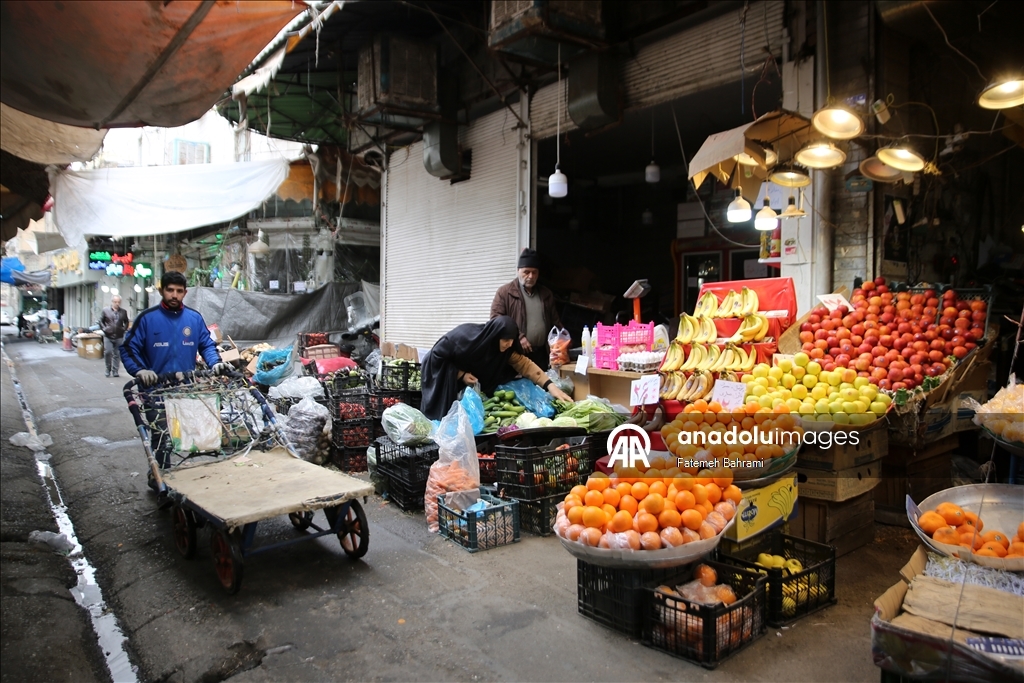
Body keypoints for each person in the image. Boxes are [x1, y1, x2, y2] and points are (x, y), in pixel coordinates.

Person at [122, 271, 230, 475]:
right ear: (161, 290)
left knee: (190, 436)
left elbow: (206, 345)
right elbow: (128, 348)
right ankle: (161, 477)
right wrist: (140, 370)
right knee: (162, 436)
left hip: (184, 389)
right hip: (154, 390)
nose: (174, 295)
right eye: (170, 290)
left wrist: (215, 363)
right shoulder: (147, 319)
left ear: (185, 293)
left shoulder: (194, 319)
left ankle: (187, 477)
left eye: (179, 291)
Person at [420, 316, 572, 420]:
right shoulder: (465, 338)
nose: (509, 344)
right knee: (443, 416)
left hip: (467, 384)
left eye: (512, 340)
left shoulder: (505, 350)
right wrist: (461, 374)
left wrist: (550, 386)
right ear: (495, 335)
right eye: (505, 340)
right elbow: (437, 356)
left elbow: (525, 365)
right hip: (441, 374)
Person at [490, 248, 562, 370]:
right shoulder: (505, 293)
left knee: (542, 380)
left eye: (534, 272)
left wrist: (562, 340)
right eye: (526, 272)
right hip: (516, 354)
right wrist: (519, 336)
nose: (531, 276)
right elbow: (496, 320)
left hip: (541, 354)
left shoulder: (546, 294)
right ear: (518, 270)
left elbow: (556, 322)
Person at [99, 295, 130, 378]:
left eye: (119, 302)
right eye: (115, 302)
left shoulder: (123, 312)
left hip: (119, 336)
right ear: (112, 302)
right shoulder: (105, 310)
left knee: (117, 353)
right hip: (108, 335)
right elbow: (101, 321)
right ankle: (107, 369)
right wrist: (105, 329)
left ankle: (115, 370)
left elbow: (126, 321)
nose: (117, 304)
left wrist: (123, 329)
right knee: (108, 352)